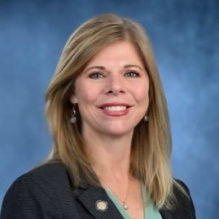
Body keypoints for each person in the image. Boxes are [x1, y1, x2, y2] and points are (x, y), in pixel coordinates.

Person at [1, 14, 196, 219]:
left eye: (131, 73)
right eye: (96, 74)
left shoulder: (177, 198)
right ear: (72, 93)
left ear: (149, 89)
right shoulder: (36, 193)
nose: (116, 87)